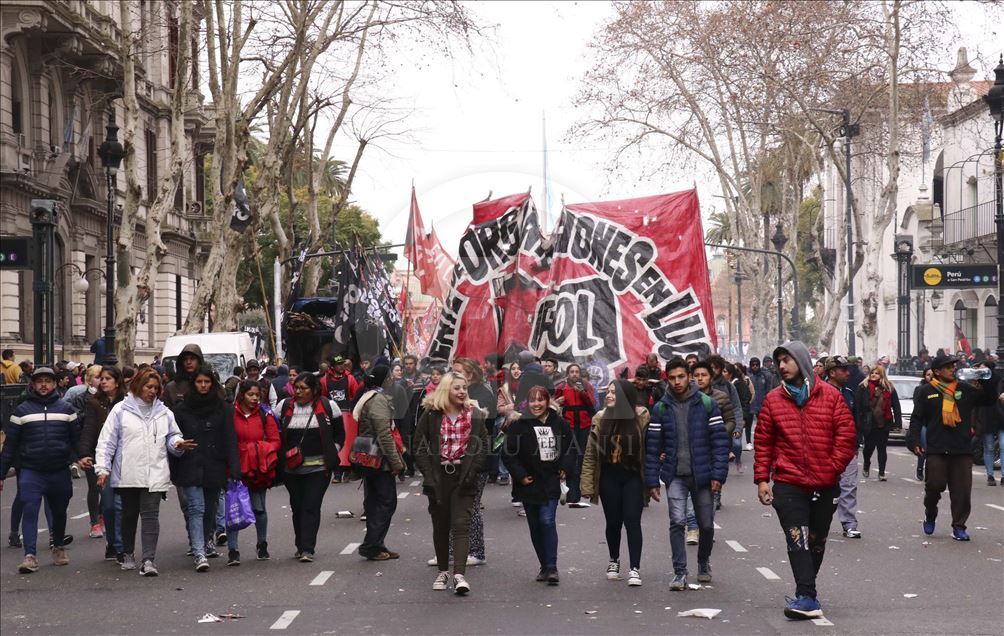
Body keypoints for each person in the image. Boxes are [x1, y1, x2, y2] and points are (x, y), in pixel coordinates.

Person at [754, 341, 856, 620]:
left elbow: (846, 438)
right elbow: (763, 441)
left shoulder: (831, 397)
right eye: (779, 361)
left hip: (825, 483)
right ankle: (807, 597)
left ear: (802, 361)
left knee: (816, 540)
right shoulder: (774, 399)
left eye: (787, 360)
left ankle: (807, 591)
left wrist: (831, 468)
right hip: (788, 483)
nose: (782, 366)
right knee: (796, 538)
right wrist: (762, 479)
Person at [93, 367, 195, 576]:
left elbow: (172, 435)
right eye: (149, 387)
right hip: (128, 473)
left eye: (156, 388)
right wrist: (102, 469)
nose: (153, 391)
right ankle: (128, 554)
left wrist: (177, 444)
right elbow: (107, 442)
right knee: (129, 515)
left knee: (150, 516)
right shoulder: (120, 411)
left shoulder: (164, 412)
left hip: (155, 473)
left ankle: (149, 560)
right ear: (139, 385)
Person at [647, 357, 729, 590]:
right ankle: (680, 572)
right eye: (672, 378)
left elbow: (719, 442)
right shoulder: (661, 408)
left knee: (706, 525)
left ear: (689, 377)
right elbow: (652, 446)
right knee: (677, 522)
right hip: (675, 476)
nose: (677, 382)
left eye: (681, 377)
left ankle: (703, 562)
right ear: (667, 379)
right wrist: (652, 479)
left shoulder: (706, 404)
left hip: (703, 476)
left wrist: (718, 476)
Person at [908, 353, 1000, 541]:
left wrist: (988, 374)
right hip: (936, 449)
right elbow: (917, 419)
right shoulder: (926, 392)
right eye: (948, 366)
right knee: (934, 486)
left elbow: (989, 399)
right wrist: (915, 441)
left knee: (962, 491)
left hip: (961, 449)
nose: (953, 369)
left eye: (953, 366)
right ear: (937, 371)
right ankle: (930, 514)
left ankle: (959, 526)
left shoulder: (964, 389)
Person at [413, 372, 490, 595]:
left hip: (464, 476)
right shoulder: (431, 415)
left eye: (464, 388)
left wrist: (472, 471)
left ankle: (459, 575)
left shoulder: (474, 414)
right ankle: (443, 571)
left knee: (461, 524)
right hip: (438, 478)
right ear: (446, 390)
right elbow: (418, 444)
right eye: (457, 388)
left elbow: (483, 446)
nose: (462, 392)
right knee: (441, 525)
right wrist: (428, 473)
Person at [0, 367, 79, 573]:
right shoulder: (22, 411)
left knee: (59, 512)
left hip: (58, 470)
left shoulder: (66, 409)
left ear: (55, 384)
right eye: (39, 381)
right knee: (30, 510)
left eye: (48, 381)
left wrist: (82, 459)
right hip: (31, 471)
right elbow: (10, 446)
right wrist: (1, 473)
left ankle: (58, 546)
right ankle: (30, 556)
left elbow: (76, 440)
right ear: (33, 385)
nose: (44, 384)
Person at [579, 380, 650, 587]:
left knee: (632, 520)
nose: (608, 396)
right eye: (608, 392)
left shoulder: (641, 417)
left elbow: (651, 449)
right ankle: (614, 560)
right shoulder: (600, 419)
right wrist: (586, 485)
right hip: (609, 476)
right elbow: (590, 455)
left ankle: (635, 568)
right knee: (613, 522)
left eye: (613, 393)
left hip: (633, 476)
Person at [502, 385, 574, 585]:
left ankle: (552, 567)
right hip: (528, 483)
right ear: (527, 402)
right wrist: (520, 475)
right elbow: (508, 453)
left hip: (550, 481)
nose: (536, 404)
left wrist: (565, 468)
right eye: (532, 400)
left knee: (546, 521)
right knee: (534, 525)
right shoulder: (519, 424)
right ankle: (544, 565)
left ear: (547, 401)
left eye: (540, 399)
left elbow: (570, 448)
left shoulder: (560, 423)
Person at [171, 366, 240, 571]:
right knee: (196, 508)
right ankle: (199, 552)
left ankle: (205, 540)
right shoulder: (181, 409)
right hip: (190, 464)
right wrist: (178, 451)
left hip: (214, 464)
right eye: (199, 382)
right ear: (193, 384)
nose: (203, 386)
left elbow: (230, 439)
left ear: (213, 384)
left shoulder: (223, 408)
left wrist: (234, 469)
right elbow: (173, 437)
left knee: (209, 509)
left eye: (207, 382)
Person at [277, 372, 345, 561]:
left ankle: (308, 549)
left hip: (319, 469)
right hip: (291, 470)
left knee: (311, 506)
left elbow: (340, 434)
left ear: (314, 389)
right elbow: (274, 432)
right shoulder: (284, 406)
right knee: (297, 506)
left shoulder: (328, 406)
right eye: (296, 388)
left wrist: (332, 451)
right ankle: (300, 544)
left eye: (303, 388)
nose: (298, 392)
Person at [354, 365, 406, 561]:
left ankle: (377, 544)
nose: (393, 379)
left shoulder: (371, 397)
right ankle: (371, 545)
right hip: (377, 459)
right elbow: (384, 434)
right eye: (390, 376)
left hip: (371, 458)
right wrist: (396, 463)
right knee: (386, 502)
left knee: (376, 502)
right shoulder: (378, 400)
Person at [229, 379, 281, 562]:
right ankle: (233, 550)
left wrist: (260, 449)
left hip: (258, 467)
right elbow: (226, 440)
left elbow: (275, 440)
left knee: (259, 508)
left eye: (257, 395)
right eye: (250, 394)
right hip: (235, 467)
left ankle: (262, 543)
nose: (254, 398)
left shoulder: (265, 414)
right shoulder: (230, 413)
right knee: (234, 507)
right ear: (241, 395)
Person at [79, 366, 127, 561]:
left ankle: (121, 545)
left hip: (124, 458)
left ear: (117, 381)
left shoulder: (127, 402)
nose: (103, 381)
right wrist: (84, 453)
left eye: (108, 378)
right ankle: (113, 542)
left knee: (122, 506)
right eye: (101, 378)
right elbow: (89, 429)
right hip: (102, 458)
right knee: (107, 505)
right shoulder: (94, 403)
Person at [823, 356, 861, 539]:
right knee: (823, 486)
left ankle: (849, 523)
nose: (848, 373)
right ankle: (818, 521)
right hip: (823, 448)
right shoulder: (816, 392)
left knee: (849, 485)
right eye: (843, 370)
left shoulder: (849, 393)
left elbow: (854, 421)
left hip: (846, 448)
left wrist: (855, 444)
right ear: (832, 372)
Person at [553, 363, 596, 508]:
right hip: (568, 425)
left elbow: (593, 403)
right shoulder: (561, 387)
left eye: (577, 371)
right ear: (568, 373)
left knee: (582, 457)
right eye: (572, 371)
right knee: (571, 457)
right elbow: (552, 405)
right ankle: (571, 494)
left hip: (584, 425)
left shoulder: (586, 385)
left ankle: (580, 492)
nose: (574, 374)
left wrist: (582, 392)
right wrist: (557, 402)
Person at [854, 364, 902, 481]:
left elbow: (896, 406)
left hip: (883, 422)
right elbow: (857, 406)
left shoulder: (889, 387)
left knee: (882, 447)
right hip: (868, 422)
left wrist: (898, 423)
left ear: (882, 375)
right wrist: (857, 422)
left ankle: (881, 472)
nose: (874, 375)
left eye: (877, 373)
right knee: (868, 447)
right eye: (872, 373)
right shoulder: (863, 387)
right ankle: (866, 463)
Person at [973, 361, 1004, 486]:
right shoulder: (978, 382)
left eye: (983, 367)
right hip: (986, 417)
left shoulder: (999, 379)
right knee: (989, 447)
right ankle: (990, 475)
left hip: (1001, 416)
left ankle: (1003, 475)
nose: (981, 370)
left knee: (1003, 446)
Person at [163, 344, 206, 409]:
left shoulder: (209, 384)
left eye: (192, 359)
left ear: (199, 361)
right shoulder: (172, 387)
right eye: (185, 359)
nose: (188, 362)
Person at [913, 367, 933, 481]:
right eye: (928, 374)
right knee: (924, 447)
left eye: (932, 374)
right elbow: (917, 406)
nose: (930, 376)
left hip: (934, 423)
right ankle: (920, 468)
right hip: (924, 422)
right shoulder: (920, 389)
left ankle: (930, 470)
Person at [747, 357, 769, 450]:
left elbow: (768, 390)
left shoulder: (764, 375)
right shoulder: (747, 376)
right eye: (753, 365)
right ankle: (748, 442)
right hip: (750, 404)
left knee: (762, 425)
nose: (755, 366)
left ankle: (761, 441)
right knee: (748, 425)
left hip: (761, 404)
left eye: (757, 365)